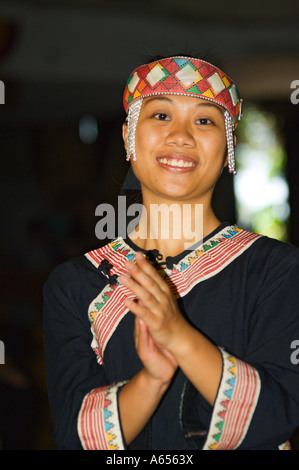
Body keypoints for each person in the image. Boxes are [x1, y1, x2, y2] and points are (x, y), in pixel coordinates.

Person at [43, 55, 299, 450]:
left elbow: (280, 415)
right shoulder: (75, 284)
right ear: (130, 137)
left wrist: (181, 339)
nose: (181, 135)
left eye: (204, 120)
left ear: (228, 144)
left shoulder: (277, 271)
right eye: (160, 116)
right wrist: (153, 379)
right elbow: (74, 438)